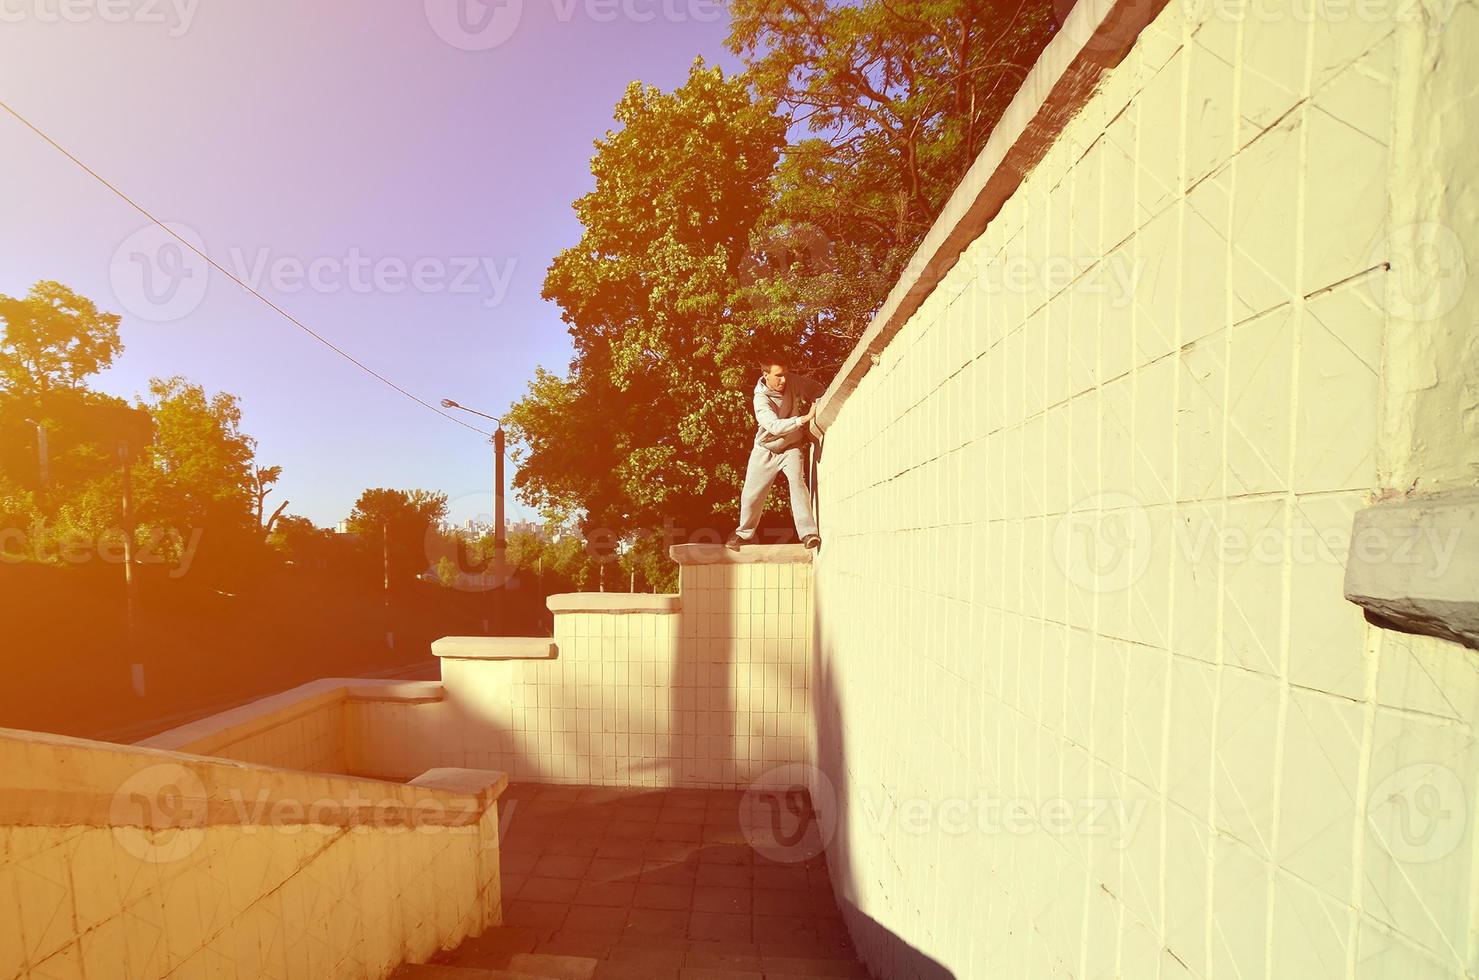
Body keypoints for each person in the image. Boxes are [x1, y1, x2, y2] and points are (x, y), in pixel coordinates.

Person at [726, 359, 825, 551]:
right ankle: (744, 533)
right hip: (766, 449)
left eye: (785, 374)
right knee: (751, 495)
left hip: (791, 447)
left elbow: (816, 388)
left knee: (797, 484)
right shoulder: (760, 399)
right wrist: (804, 419)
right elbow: (773, 426)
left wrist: (816, 400)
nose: (783, 380)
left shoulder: (791, 381)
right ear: (766, 375)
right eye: (778, 375)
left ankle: (808, 533)